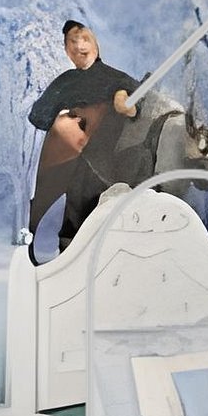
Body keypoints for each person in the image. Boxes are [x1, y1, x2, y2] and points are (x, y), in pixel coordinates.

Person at [27, 19, 143, 249]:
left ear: (96, 43)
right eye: (72, 41)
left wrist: (123, 101)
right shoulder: (65, 82)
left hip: (106, 160)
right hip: (64, 157)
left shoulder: (117, 78)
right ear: (66, 49)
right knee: (49, 207)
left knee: (90, 203)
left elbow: (137, 105)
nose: (79, 45)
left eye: (85, 39)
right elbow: (38, 116)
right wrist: (65, 119)